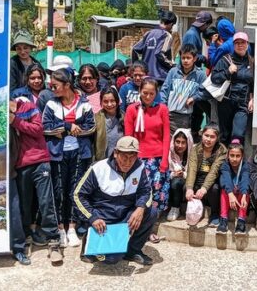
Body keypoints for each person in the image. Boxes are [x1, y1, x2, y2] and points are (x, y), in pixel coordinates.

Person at [74, 137, 158, 265]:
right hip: (103, 219)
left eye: (132, 157)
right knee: (110, 260)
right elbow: (78, 195)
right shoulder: (98, 168)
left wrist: (140, 208)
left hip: (125, 216)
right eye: (124, 157)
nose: (128, 162)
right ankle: (89, 241)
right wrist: (92, 217)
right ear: (115, 153)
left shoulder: (140, 167)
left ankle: (132, 251)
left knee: (151, 211)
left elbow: (146, 191)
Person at [42, 68, 97, 248]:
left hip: (79, 154)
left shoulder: (84, 103)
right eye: (51, 85)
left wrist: (69, 130)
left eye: (55, 85)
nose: (52, 88)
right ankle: (60, 228)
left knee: (75, 190)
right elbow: (45, 128)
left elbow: (91, 127)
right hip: (58, 154)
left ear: (67, 85)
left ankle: (72, 227)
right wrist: (67, 126)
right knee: (59, 190)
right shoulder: (51, 104)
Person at [10, 92, 59, 259]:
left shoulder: (28, 107)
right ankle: (27, 236)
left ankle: (53, 240)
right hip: (20, 165)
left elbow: (38, 130)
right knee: (24, 205)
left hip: (39, 161)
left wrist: (15, 121)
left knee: (46, 202)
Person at [124, 78, 170, 242]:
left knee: (156, 195)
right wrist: (129, 161)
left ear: (156, 93)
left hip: (157, 159)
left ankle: (149, 228)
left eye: (152, 93)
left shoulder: (162, 109)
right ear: (139, 92)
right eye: (145, 93)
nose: (148, 96)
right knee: (138, 194)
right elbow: (128, 137)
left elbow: (166, 137)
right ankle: (134, 226)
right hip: (138, 160)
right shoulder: (132, 110)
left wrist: (165, 161)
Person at [211, 32, 254, 145]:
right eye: (237, 43)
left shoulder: (252, 62)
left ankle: (236, 161)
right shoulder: (226, 60)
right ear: (233, 45)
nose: (240, 45)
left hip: (242, 104)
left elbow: (255, 83)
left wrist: (252, 98)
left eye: (243, 43)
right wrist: (228, 72)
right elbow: (214, 78)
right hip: (226, 102)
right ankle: (224, 161)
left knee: (238, 136)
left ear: (247, 44)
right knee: (224, 136)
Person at [160, 44, 208, 137]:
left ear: (194, 59)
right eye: (183, 58)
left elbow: (205, 92)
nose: (185, 60)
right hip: (169, 114)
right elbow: (165, 90)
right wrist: (163, 106)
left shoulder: (200, 75)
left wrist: (194, 98)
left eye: (188, 58)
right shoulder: (173, 72)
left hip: (186, 117)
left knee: (181, 141)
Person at [185, 124, 228, 227]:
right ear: (202, 135)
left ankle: (214, 214)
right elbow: (192, 169)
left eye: (212, 137)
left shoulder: (222, 150)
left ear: (217, 138)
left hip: (212, 180)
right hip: (198, 178)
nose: (208, 139)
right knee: (185, 187)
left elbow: (214, 171)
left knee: (215, 189)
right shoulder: (196, 148)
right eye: (206, 135)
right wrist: (189, 188)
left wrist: (204, 188)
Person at [132, 9, 177, 81]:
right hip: (159, 77)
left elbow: (135, 49)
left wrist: (136, 67)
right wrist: (172, 65)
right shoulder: (167, 35)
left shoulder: (148, 33)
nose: (172, 28)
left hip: (146, 77)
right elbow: (159, 53)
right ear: (171, 24)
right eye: (172, 25)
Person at [217, 140, 250, 235]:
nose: (234, 159)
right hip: (229, 194)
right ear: (228, 155)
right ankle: (223, 219)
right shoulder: (225, 165)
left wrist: (244, 195)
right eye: (232, 155)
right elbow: (226, 180)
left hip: (240, 195)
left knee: (246, 192)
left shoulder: (245, 166)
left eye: (238, 156)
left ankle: (241, 220)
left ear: (242, 156)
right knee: (224, 190)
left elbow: (245, 180)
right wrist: (230, 194)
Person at [166, 128, 192, 221]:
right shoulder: (168, 154)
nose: (180, 145)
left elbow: (194, 172)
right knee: (176, 182)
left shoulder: (192, 155)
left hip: (187, 183)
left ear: (188, 143)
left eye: (183, 142)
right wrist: (173, 174)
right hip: (172, 183)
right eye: (177, 142)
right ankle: (174, 207)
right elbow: (164, 173)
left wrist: (184, 174)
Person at [93, 87, 124, 161]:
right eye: (105, 101)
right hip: (102, 161)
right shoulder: (96, 118)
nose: (109, 104)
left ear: (117, 101)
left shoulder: (124, 117)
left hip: (121, 160)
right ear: (101, 102)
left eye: (112, 101)